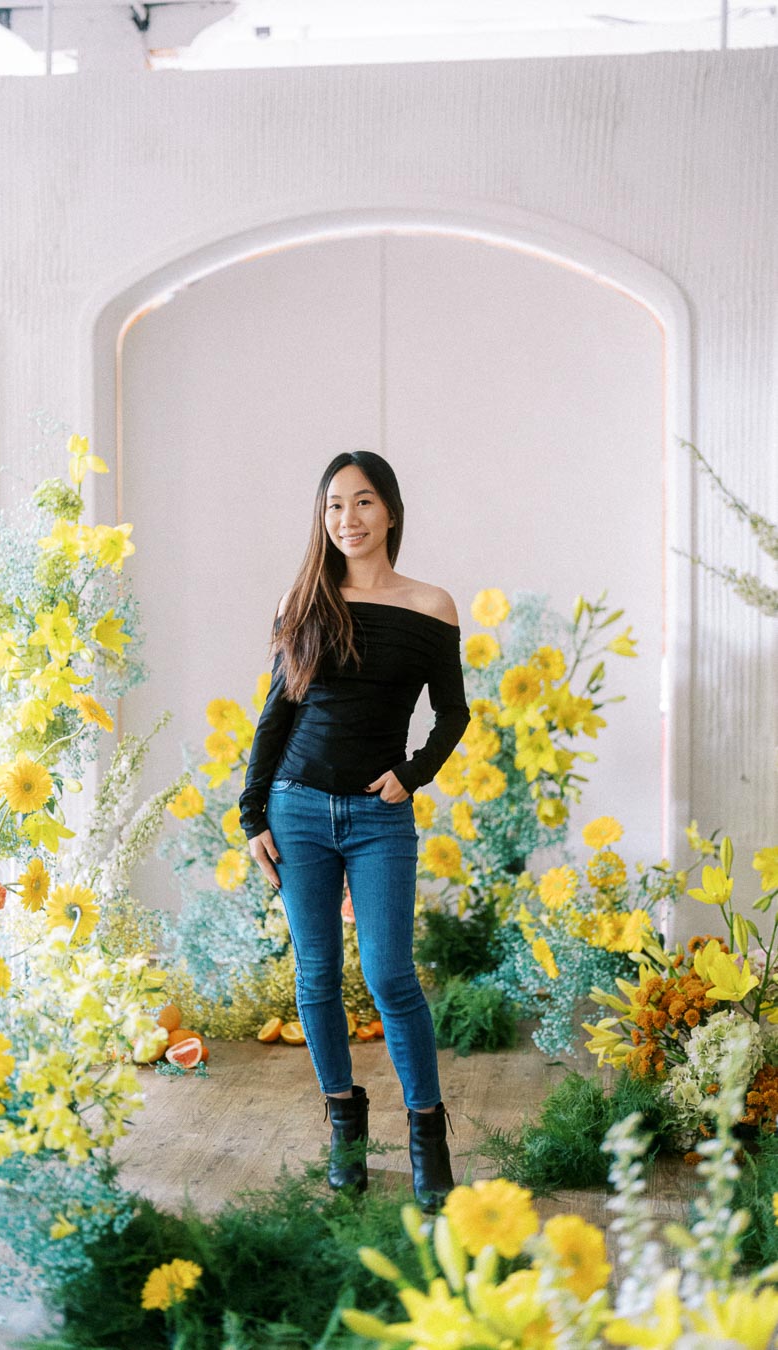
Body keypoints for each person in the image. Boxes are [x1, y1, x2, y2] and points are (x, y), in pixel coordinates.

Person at [239, 450, 470, 1210]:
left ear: (391, 512)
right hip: (296, 808)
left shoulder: (432, 606)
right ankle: (344, 1126)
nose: (348, 519)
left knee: (389, 976)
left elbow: (453, 712)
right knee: (315, 976)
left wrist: (412, 772)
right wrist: (251, 817)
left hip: (380, 817)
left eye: (363, 503)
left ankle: (427, 1130)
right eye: (335, 506)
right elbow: (277, 713)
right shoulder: (301, 599)